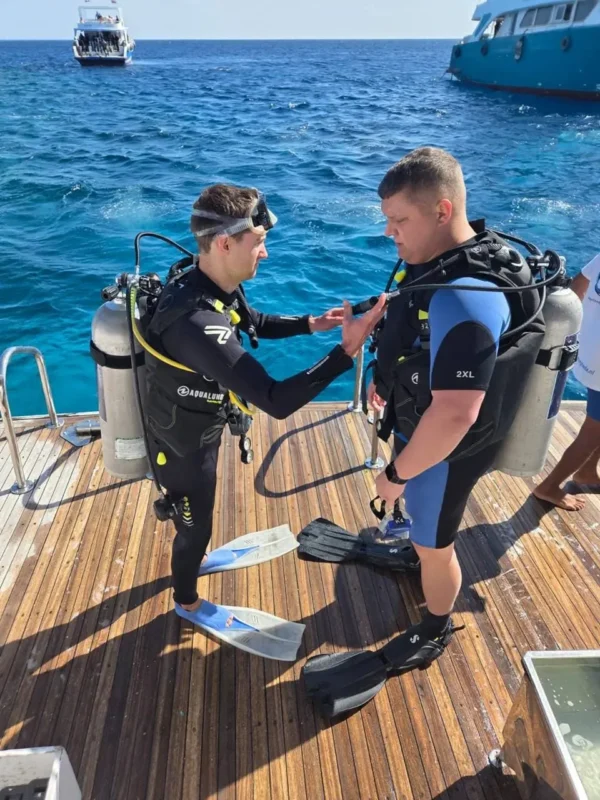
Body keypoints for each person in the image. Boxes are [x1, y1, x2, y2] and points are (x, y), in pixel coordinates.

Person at [141, 183, 385, 642]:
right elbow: (275, 400)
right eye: (260, 243)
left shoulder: (211, 282)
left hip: (199, 424)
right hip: (182, 442)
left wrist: (312, 323)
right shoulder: (195, 323)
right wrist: (345, 353)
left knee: (199, 516)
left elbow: (251, 323)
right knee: (194, 525)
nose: (266, 254)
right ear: (225, 243)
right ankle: (187, 601)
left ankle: (197, 553)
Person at [368, 147, 544, 668]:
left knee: (435, 540)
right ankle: (416, 556)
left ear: (442, 211)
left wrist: (395, 475)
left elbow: (455, 414)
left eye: (400, 220)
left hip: (445, 451)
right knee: (424, 529)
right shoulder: (448, 265)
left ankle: (434, 626)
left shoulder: (466, 294)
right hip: (427, 431)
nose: (390, 233)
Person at [533, 253, 600, 510]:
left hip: (589, 352)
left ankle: (587, 472)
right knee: (593, 431)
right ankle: (549, 486)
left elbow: (579, 285)